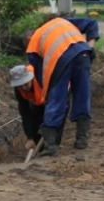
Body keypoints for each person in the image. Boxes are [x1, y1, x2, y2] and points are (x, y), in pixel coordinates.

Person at [27, 16, 93, 154]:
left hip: (61, 58)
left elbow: (40, 74)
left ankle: (51, 145)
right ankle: (82, 139)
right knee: (82, 96)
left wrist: (45, 94)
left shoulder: (35, 39)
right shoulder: (63, 22)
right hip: (84, 53)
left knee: (56, 99)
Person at [8, 64, 44, 153]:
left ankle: (52, 148)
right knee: (35, 123)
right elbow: (25, 112)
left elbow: (55, 104)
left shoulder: (41, 78)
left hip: (54, 98)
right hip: (38, 102)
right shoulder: (19, 89)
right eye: (20, 86)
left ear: (30, 78)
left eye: (25, 84)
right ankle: (41, 150)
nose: (24, 88)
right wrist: (30, 137)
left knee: (51, 126)